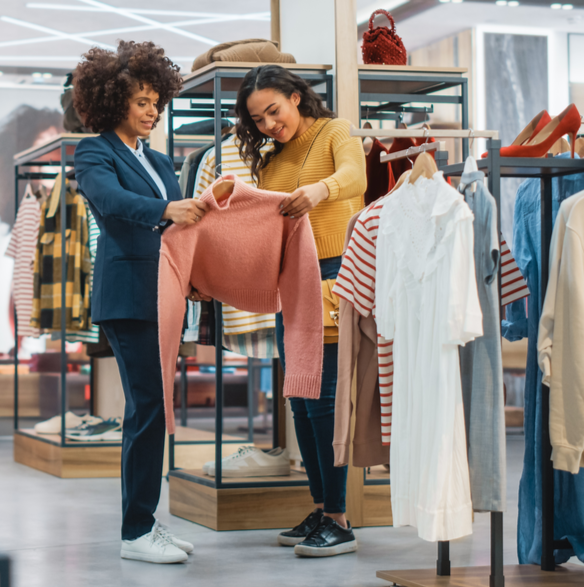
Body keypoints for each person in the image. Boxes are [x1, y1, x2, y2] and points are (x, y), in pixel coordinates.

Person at [72, 40, 210, 564]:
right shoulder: (95, 151)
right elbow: (110, 202)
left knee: (156, 409)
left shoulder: (155, 158)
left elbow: (177, 230)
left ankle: (148, 521)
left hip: (166, 293)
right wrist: (168, 208)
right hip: (128, 297)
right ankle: (135, 532)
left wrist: (195, 274)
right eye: (141, 102)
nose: (151, 112)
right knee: (148, 407)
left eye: (156, 102)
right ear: (113, 103)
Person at [235, 64, 367, 557]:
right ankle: (321, 505)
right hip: (291, 280)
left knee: (326, 399)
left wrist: (320, 190)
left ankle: (339, 517)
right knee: (300, 399)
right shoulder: (270, 159)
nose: (270, 124)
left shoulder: (335, 131)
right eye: (259, 119)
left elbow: (355, 178)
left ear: (295, 97)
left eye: (274, 110)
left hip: (333, 276)